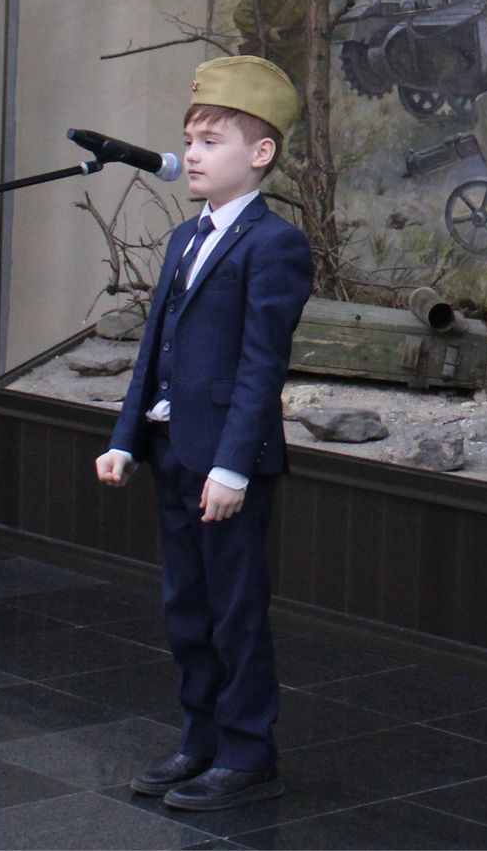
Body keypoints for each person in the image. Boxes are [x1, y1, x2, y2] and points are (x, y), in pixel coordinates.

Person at [95, 57, 313, 815]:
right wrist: (126, 437)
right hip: (171, 449)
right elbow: (154, 348)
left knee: (234, 609)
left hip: (224, 462)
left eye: (211, 141)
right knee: (185, 606)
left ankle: (249, 751)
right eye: (189, 139)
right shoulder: (187, 237)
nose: (191, 154)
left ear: (261, 152)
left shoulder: (274, 243)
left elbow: (260, 367)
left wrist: (233, 468)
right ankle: (201, 738)